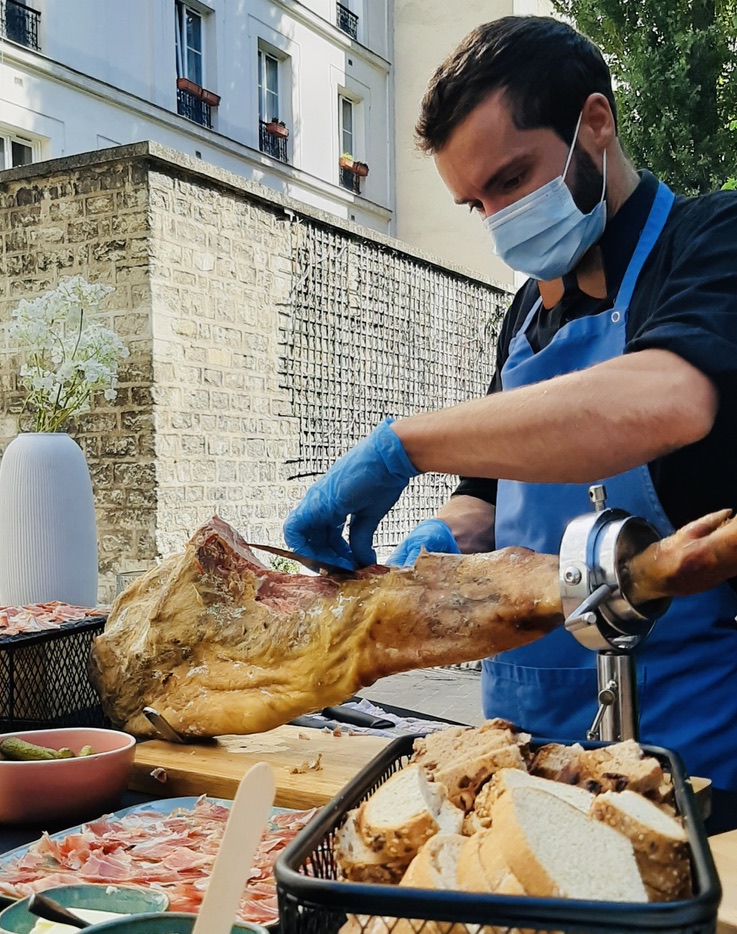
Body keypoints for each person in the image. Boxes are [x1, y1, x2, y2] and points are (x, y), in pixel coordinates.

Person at [283, 15, 737, 830]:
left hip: (695, 761)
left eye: (514, 178)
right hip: (527, 750)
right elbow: (491, 496)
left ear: (593, 124)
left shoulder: (712, 241)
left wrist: (402, 444)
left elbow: (668, 399)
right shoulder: (525, 313)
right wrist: (435, 547)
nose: (500, 217)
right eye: (476, 201)